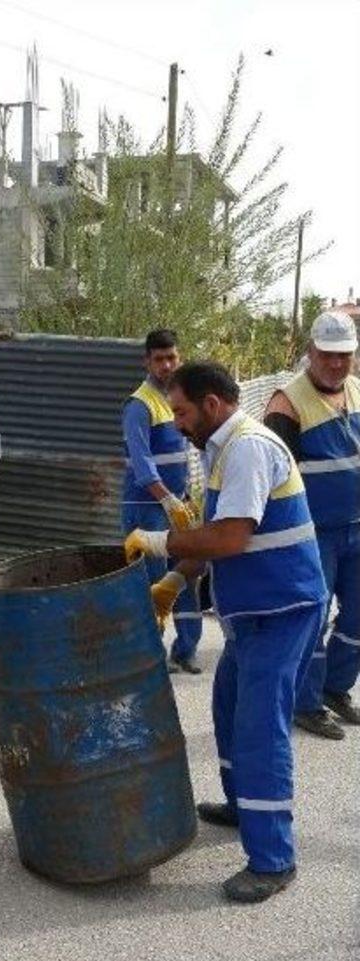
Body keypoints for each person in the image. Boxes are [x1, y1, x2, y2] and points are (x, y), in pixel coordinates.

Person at [125, 361, 327, 903]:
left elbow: (230, 539)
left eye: (183, 412)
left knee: (260, 728)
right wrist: (172, 581)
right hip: (252, 612)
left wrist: (159, 542)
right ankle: (245, 809)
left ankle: (273, 859)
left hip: (283, 609)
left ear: (212, 404)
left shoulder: (247, 449)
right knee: (229, 707)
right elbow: (214, 536)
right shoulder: (219, 449)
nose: (178, 424)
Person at [264, 310, 360, 740]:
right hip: (313, 533)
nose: (337, 364)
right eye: (328, 355)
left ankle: (335, 688)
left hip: (357, 527)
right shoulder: (287, 403)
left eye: (345, 355)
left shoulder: (357, 391)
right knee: (312, 618)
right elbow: (273, 478)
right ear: (310, 352)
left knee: (358, 616)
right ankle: (306, 702)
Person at [121, 328, 203, 673]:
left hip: (176, 503)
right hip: (147, 507)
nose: (167, 365)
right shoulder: (139, 405)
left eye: (172, 357)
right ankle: (152, 652)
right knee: (153, 581)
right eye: (159, 359)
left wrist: (186, 499)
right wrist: (168, 500)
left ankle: (186, 650)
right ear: (147, 361)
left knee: (186, 575)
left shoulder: (179, 399)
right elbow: (143, 465)